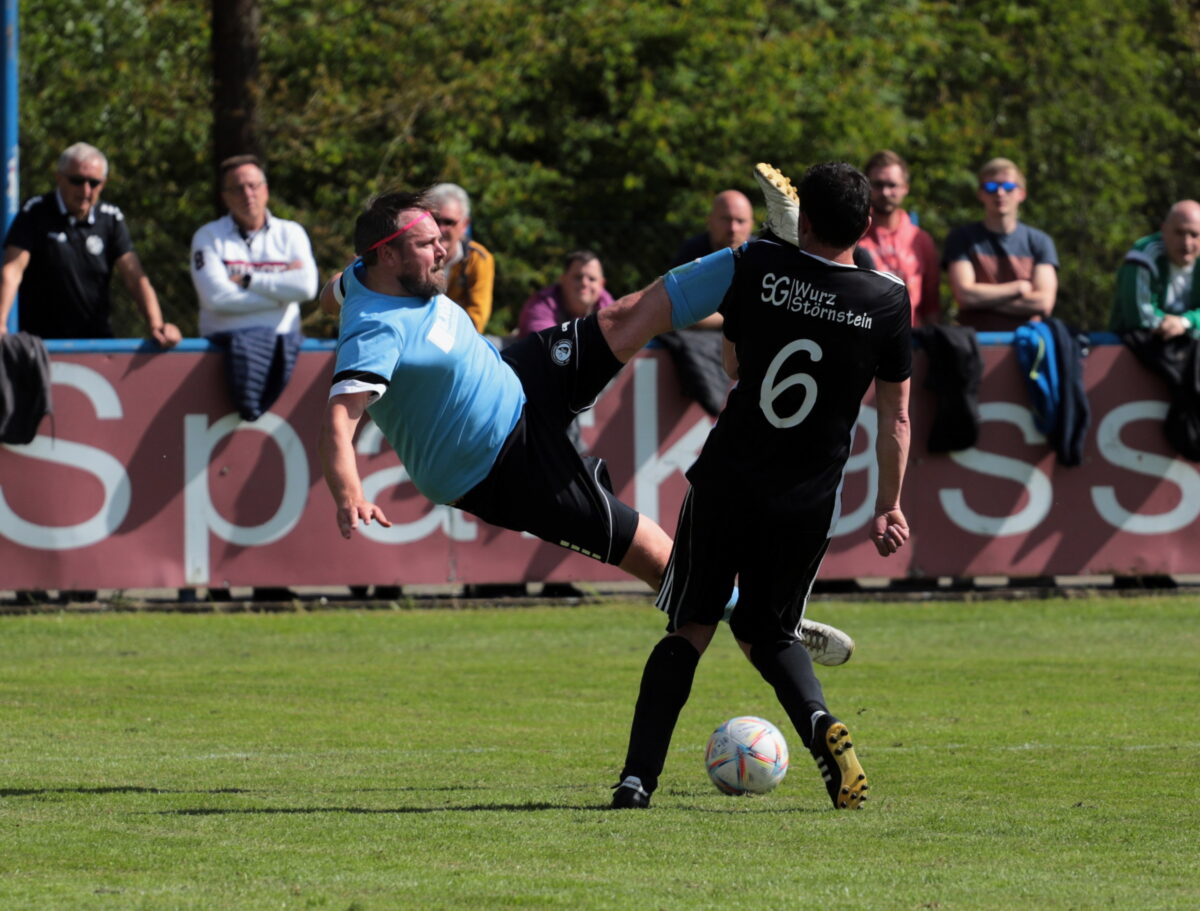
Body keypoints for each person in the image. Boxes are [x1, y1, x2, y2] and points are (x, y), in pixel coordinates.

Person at [317, 188, 854, 668]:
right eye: (428, 243)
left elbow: (333, 291)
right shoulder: (375, 331)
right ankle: (757, 620)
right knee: (644, 545)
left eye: (443, 237)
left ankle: (761, 255)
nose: (445, 251)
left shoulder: (363, 280)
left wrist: (336, 294)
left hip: (512, 377)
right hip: (494, 463)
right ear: (386, 253)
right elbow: (339, 420)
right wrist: (349, 493)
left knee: (626, 315)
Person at [610, 162, 912, 812]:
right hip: (805, 499)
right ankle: (817, 724)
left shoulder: (759, 267)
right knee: (768, 631)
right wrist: (888, 503)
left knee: (689, 625)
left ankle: (637, 780)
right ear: (867, 225)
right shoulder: (888, 298)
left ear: (803, 218)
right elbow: (897, 416)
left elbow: (732, 365)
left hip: (728, 478)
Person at [0, 142, 181, 346]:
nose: (86, 190)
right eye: (77, 181)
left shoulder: (111, 218)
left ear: (103, 184)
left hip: (95, 342)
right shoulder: (35, 211)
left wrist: (157, 325)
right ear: (59, 178)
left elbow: (135, 277)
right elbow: (13, 270)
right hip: (40, 343)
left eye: (94, 183)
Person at [190, 154, 318, 421]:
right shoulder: (208, 236)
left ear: (266, 190)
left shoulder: (291, 233)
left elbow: (306, 288)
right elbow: (217, 297)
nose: (247, 194)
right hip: (219, 361)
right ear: (225, 196)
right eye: (237, 188)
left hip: (287, 355)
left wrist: (250, 281)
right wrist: (282, 296)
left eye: (253, 185)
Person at [942, 157, 1058, 332]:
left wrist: (981, 301)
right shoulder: (961, 238)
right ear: (980, 194)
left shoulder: (1040, 242)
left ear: (1022, 193)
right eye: (991, 187)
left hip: (1028, 348)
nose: (1000, 193)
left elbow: (1043, 303)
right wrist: (1018, 288)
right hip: (975, 348)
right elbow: (965, 297)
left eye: (1009, 187)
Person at [858, 150, 941, 326]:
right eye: (878, 184)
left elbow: (930, 306)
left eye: (892, 185)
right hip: (863, 339)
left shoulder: (921, 240)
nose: (886, 192)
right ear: (866, 187)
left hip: (910, 342)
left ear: (905, 188)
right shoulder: (853, 236)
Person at [1110, 200, 1200, 338]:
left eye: (1194, 234)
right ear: (1163, 230)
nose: (1186, 243)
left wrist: (1185, 322)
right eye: (1179, 233)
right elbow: (1137, 316)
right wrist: (1175, 326)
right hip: (1135, 348)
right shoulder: (1143, 255)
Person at [427, 182, 494, 333]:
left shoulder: (477, 259)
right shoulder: (412, 252)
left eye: (448, 222)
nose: (440, 228)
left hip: (458, 337)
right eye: (435, 220)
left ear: (465, 224)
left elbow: (477, 318)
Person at [517, 250, 614, 337]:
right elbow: (544, 342)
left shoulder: (611, 308)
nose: (584, 283)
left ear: (602, 284)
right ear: (563, 279)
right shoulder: (541, 303)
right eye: (578, 277)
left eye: (592, 279)